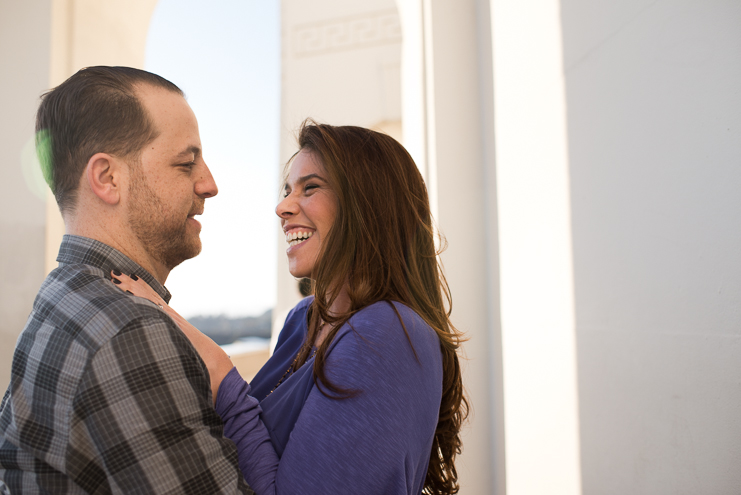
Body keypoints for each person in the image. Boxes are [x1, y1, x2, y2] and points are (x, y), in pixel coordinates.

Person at [113, 121, 468, 494]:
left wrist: (218, 368)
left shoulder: (386, 335)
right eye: (287, 190)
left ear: (367, 205)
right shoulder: (304, 318)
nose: (282, 207)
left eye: (310, 187)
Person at [0, 67, 257, 494]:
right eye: (185, 163)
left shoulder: (62, 295)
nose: (209, 184)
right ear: (107, 178)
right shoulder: (127, 331)